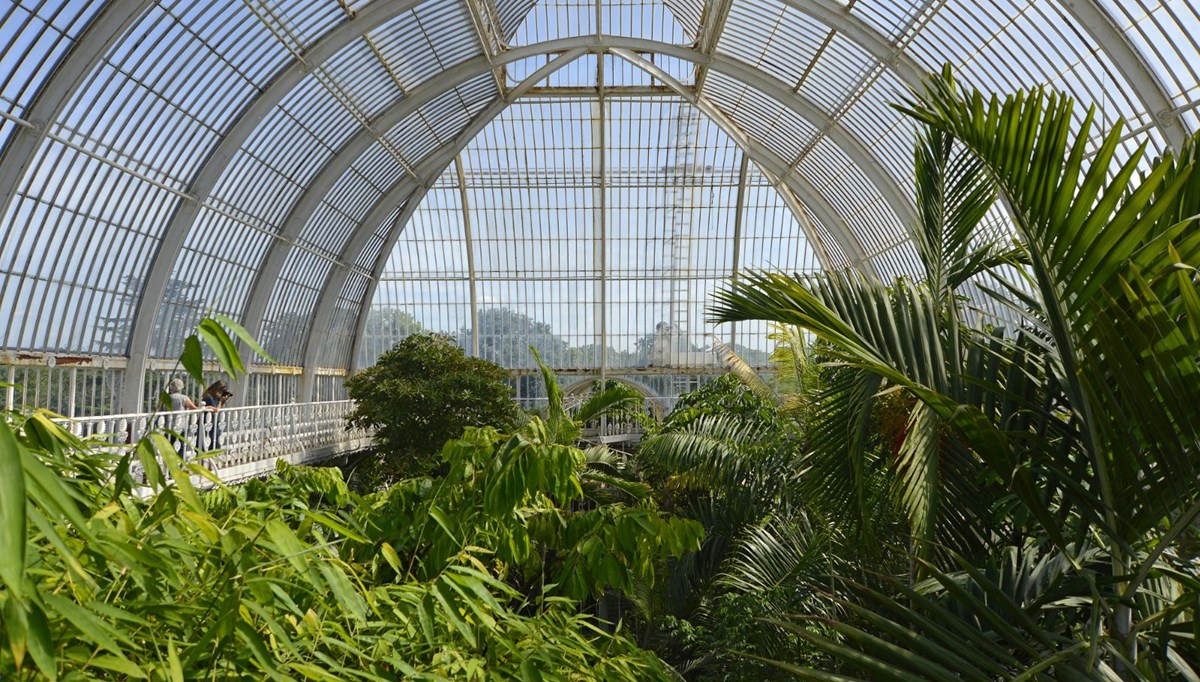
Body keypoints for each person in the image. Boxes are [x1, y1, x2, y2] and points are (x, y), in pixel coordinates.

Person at [200, 380, 232, 449]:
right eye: (221, 390)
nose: (221, 392)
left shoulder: (214, 396)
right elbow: (215, 411)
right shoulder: (209, 397)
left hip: (213, 422)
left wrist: (223, 401)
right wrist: (220, 401)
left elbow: (218, 408)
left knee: (215, 441)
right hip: (208, 423)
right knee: (208, 442)